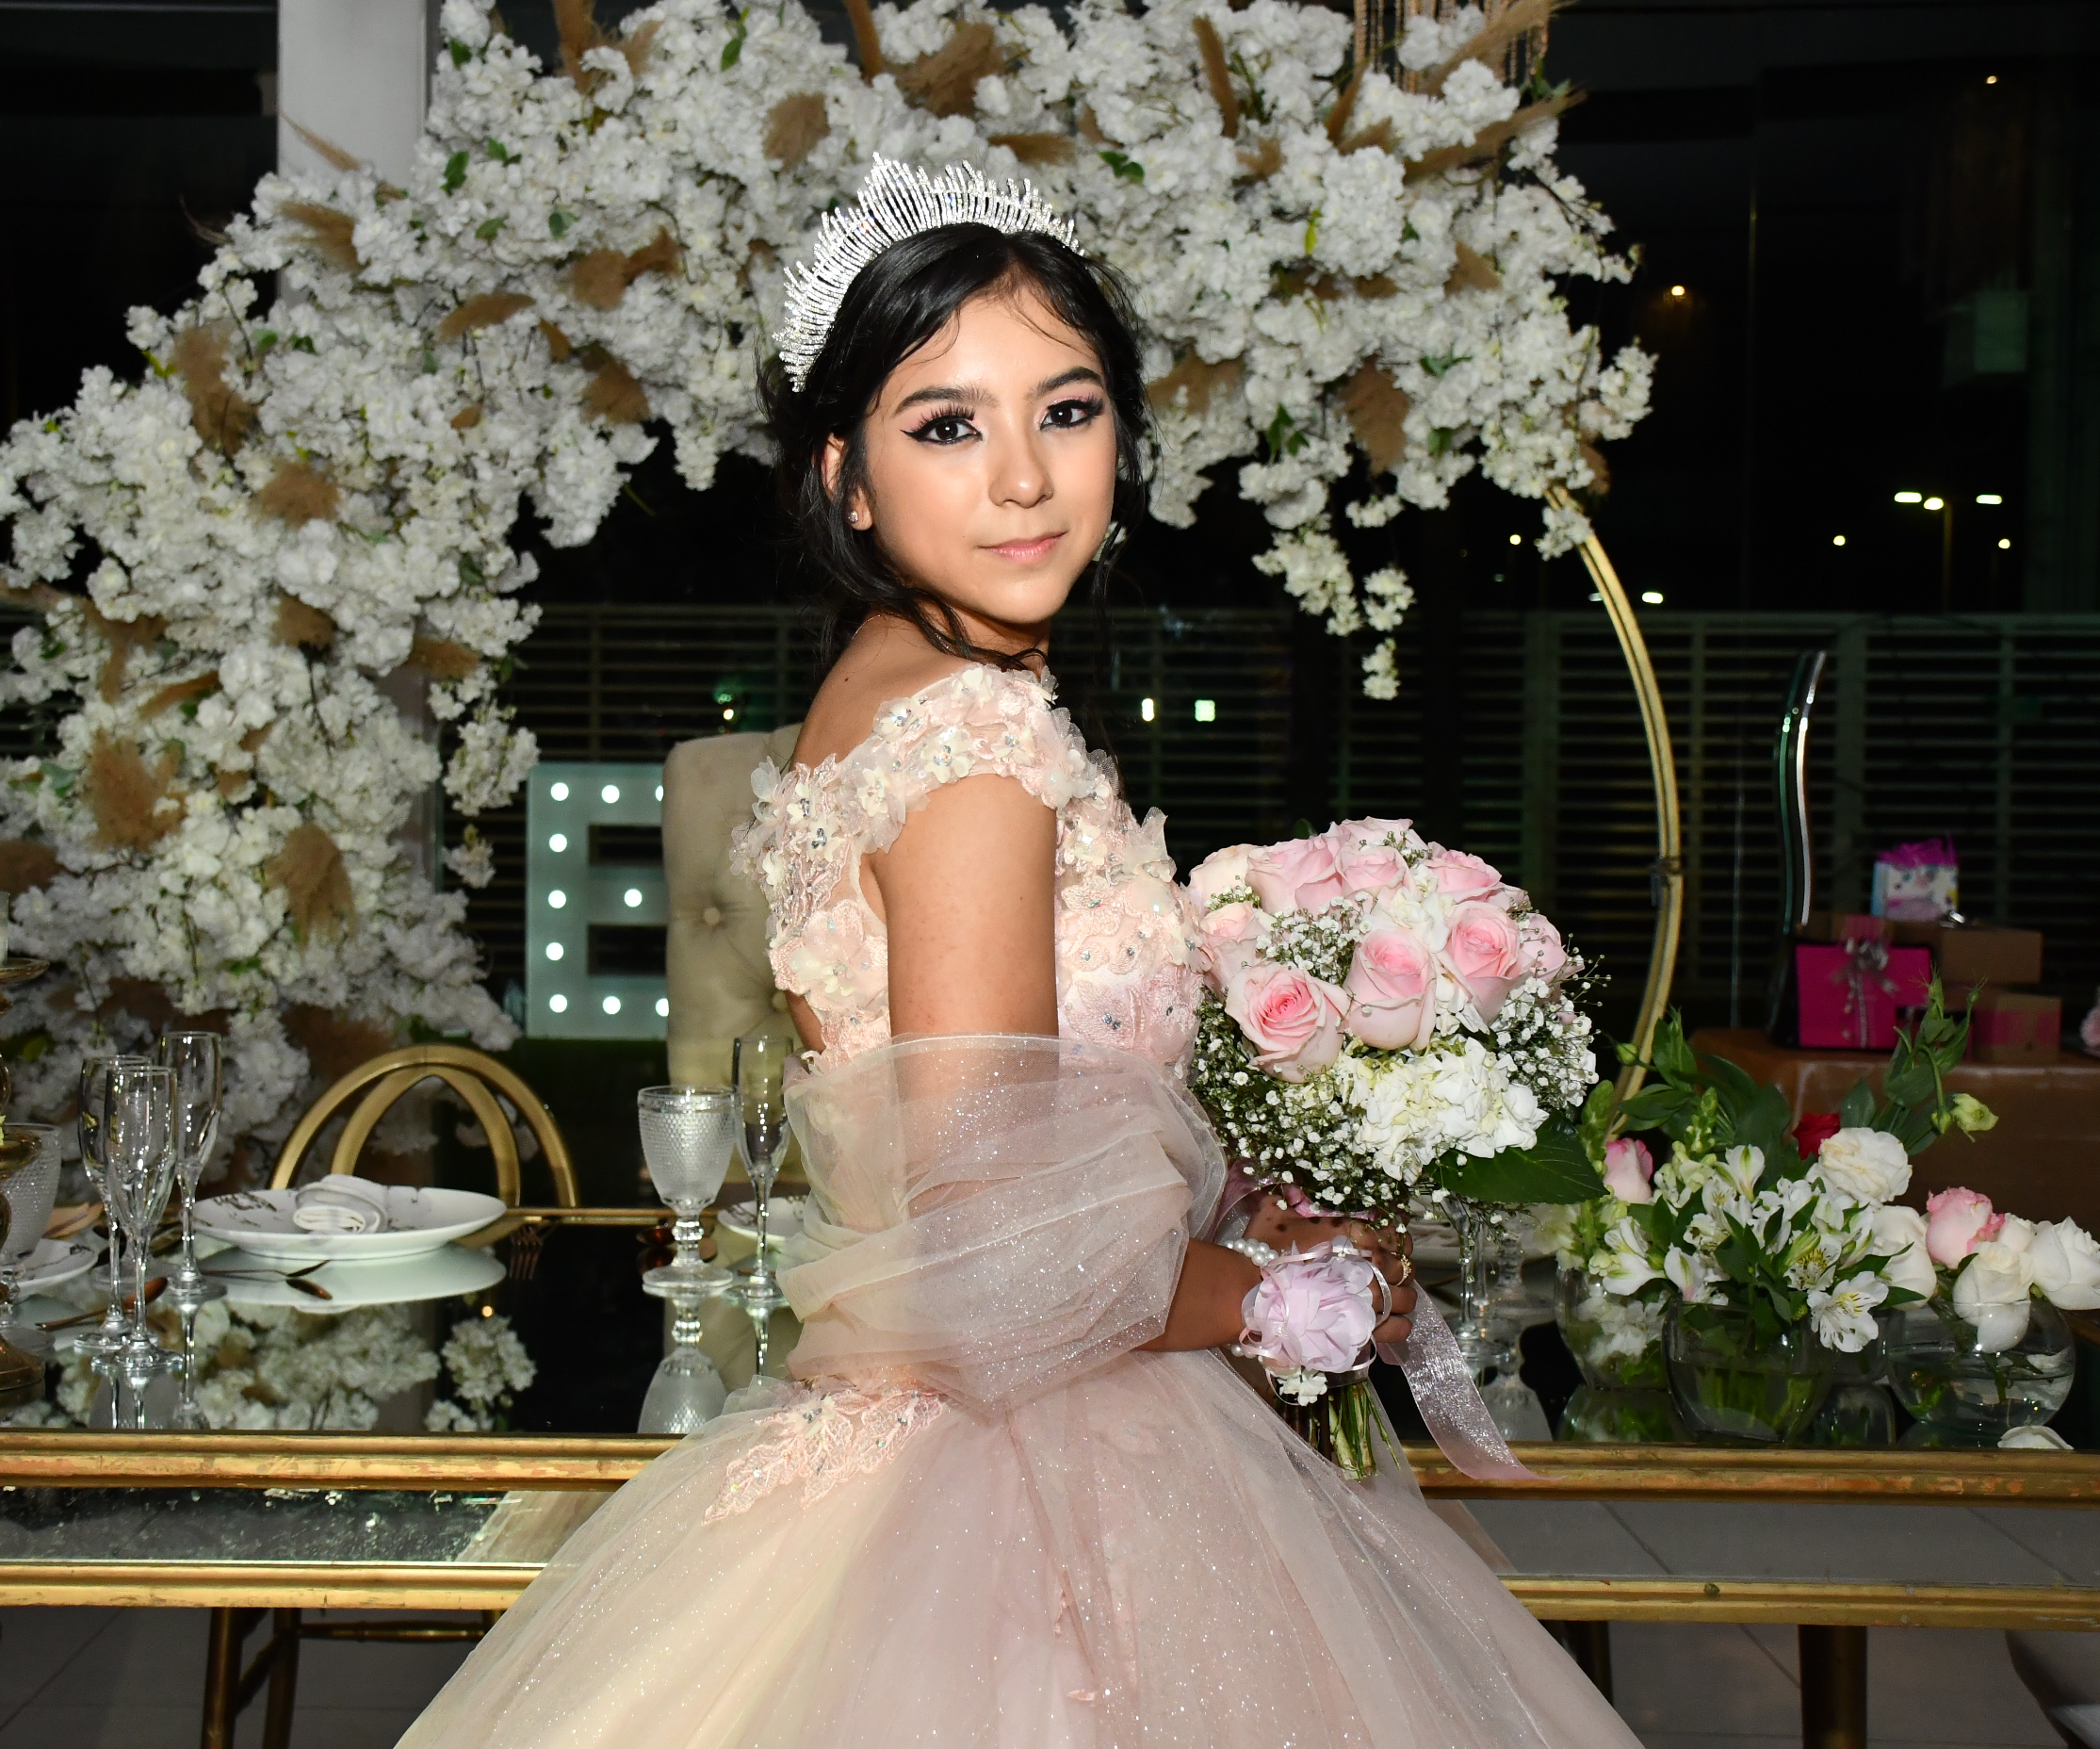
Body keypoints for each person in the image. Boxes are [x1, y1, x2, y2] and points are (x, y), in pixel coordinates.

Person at [396, 161, 1637, 1749]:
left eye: (1066, 410)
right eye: (946, 425)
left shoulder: (881, 684)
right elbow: (998, 1260)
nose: (1024, 479)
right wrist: (1276, 1293)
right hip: (1033, 1470)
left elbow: (1002, 1146)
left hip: (926, 1428)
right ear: (845, 478)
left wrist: (1236, 1215)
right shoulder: (972, 746)